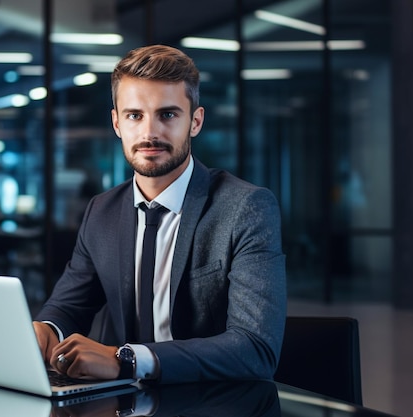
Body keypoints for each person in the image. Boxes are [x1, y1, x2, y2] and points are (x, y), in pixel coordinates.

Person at [33, 44, 286, 384]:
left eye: (167, 115)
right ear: (117, 123)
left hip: (207, 402)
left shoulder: (245, 209)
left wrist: (127, 360)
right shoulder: (101, 211)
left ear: (195, 121)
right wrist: (46, 330)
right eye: (134, 115)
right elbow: (68, 307)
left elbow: (256, 349)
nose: (149, 133)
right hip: (121, 404)